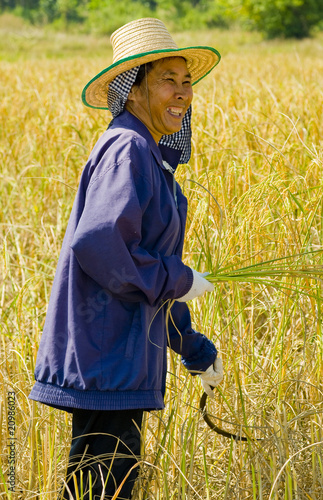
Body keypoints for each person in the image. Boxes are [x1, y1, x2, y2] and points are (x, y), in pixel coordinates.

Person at [29, 17, 223, 500]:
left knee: (107, 486)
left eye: (186, 82)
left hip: (119, 359)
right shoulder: (128, 148)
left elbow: (146, 277)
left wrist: (192, 347)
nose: (182, 93)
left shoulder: (148, 156)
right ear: (132, 91)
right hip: (106, 357)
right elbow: (100, 243)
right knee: (100, 489)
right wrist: (177, 277)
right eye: (167, 81)